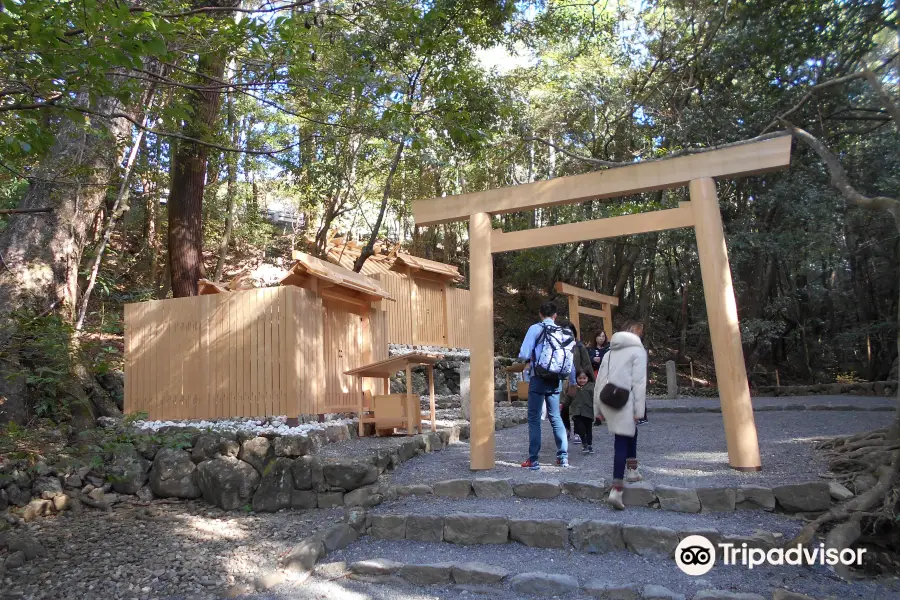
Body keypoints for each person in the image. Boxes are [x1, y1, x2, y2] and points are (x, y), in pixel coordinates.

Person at [593, 321, 647, 509]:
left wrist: (598, 409)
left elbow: (600, 380)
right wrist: (639, 410)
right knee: (622, 440)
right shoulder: (638, 352)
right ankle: (616, 489)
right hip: (626, 400)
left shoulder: (609, 352)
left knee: (630, 432)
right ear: (638, 335)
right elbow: (639, 383)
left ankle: (632, 470)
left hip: (608, 398)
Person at [518, 302, 576, 470]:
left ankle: (534, 459)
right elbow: (569, 359)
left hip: (538, 377)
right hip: (556, 379)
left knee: (534, 418)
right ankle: (563, 457)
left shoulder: (535, 329)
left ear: (540, 314)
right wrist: (572, 382)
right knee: (555, 416)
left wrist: (526, 361)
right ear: (555, 316)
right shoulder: (563, 332)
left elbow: (524, 353)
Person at [560, 321, 593, 444]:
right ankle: (567, 429)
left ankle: (578, 432)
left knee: (577, 408)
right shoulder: (558, 346)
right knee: (564, 407)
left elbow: (587, 364)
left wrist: (590, 381)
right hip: (562, 381)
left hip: (578, 381)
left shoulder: (579, 347)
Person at [564, 370, 595, 453]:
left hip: (588, 411)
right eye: (580, 378)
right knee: (580, 428)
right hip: (576, 412)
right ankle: (584, 443)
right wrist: (563, 405)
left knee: (589, 429)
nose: (582, 380)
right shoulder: (573, 387)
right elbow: (568, 398)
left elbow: (595, 399)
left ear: (588, 378)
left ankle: (589, 445)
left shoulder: (591, 387)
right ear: (576, 378)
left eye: (584, 378)